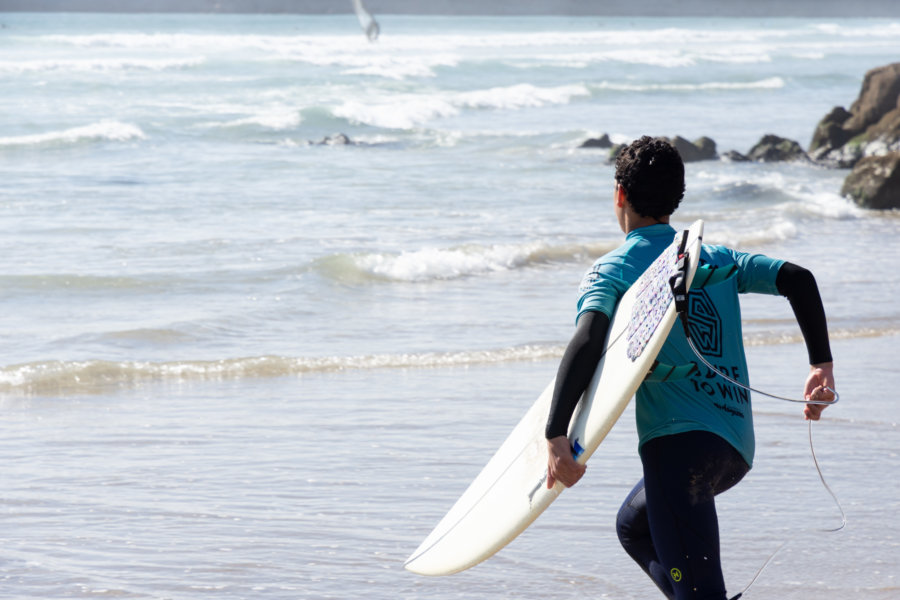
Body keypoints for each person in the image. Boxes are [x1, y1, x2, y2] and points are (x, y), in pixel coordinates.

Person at [544, 136, 835, 600]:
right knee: (633, 527)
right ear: (677, 196)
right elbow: (797, 279)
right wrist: (821, 365)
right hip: (734, 448)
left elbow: (589, 337)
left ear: (620, 194)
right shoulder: (714, 257)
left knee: (697, 590)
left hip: (678, 453)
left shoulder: (613, 269)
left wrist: (556, 432)